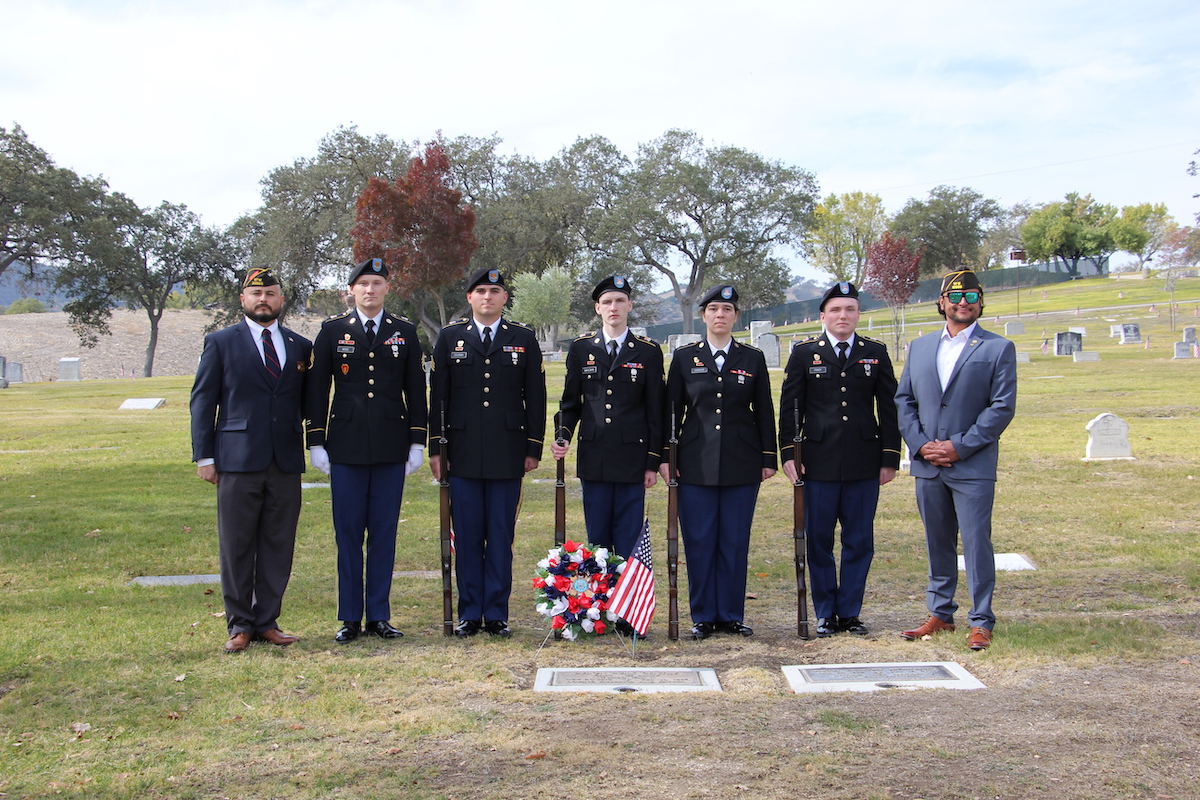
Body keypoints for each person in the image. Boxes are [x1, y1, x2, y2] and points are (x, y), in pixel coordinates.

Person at [189, 268, 313, 653]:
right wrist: (204, 456)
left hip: (284, 461)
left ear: (281, 300)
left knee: (279, 543)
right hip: (236, 460)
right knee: (237, 544)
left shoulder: (299, 346)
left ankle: (267, 621)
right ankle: (239, 625)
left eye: (271, 293)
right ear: (243, 299)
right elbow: (203, 401)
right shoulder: (221, 342)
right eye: (256, 293)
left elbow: (308, 402)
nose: (264, 299)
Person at [305, 258, 428, 643]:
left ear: (387, 289)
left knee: (383, 534)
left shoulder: (404, 332)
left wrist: (417, 441)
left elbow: (416, 390)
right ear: (352, 290)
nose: (370, 290)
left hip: (392, 447)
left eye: (377, 283)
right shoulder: (331, 331)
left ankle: (379, 614)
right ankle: (349, 617)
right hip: (345, 447)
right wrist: (316, 442)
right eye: (363, 284)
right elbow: (316, 391)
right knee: (347, 534)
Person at [895, 269, 1017, 651]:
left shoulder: (997, 349)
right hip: (928, 465)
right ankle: (941, 613)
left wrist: (959, 446)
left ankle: (981, 620)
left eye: (972, 296)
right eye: (956, 296)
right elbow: (904, 400)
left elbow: (1001, 407)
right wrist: (920, 444)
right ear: (942, 302)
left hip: (972, 465)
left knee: (977, 542)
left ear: (981, 302)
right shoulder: (921, 347)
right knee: (937, 541)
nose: (963, 303)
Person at [428, 268, 546, 638]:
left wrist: (533, 447)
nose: (487, 297)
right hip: (460, 453)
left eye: (495, 291)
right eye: (480, 291)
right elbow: (439, 398)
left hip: (507, 453)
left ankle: (496, 613)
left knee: (499, 535)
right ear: (469, 298)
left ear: (504, 298)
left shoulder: (523, 338)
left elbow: (536, 397)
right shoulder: (450, 338)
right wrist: (436, 448)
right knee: (465, 534)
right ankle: (469, 612)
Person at [779, 281, 900, 637]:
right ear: (823, 316)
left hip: (864, 460)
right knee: (818, 540)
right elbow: (790, 408)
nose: (842, 315)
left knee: (859, 540)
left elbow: (888, 408)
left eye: (849, 309)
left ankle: (849, 611)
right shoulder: (804, 353)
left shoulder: (875, 351)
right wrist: (790, 453)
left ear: (858, 314)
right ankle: (825, 611)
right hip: (817, 462)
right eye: (835, 310)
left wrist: (890, 456)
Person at [661, 285, 776, 640]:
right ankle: (703, 615)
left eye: (727, 309)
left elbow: (765, 412)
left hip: (742, 462)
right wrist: (668, 457)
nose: (720, 315)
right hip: (694, 463)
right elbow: (671, 411)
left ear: (736, 317)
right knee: (699, 541)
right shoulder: (684, 358)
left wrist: (768, 457)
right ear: (704, 316)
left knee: (734, 540)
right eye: (714, 309)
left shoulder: (752, 358)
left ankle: (730, 614)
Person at [551, 275, 664, 636]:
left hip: (632, 460)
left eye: (620, 301)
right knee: (598, 538)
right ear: (597, 308)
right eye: (607, 302)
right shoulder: (582, 349)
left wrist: (651, 461)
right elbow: (570, 403)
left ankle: (630, 614)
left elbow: (655, 412)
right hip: (595, 458)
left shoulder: (647, 351)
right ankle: (598, 611)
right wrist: (563, 435)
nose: (613, 308)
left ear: (629, 306)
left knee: (629, 538)